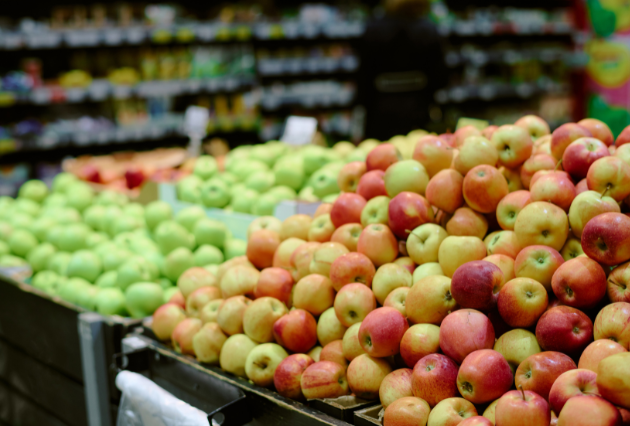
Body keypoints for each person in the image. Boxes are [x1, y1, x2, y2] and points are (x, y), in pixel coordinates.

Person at [357, 0, 448, 140]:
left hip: (381, 110)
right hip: (418, 108)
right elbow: (440, 77)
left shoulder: (373, 28)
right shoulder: (428, 29)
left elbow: (364, 77)